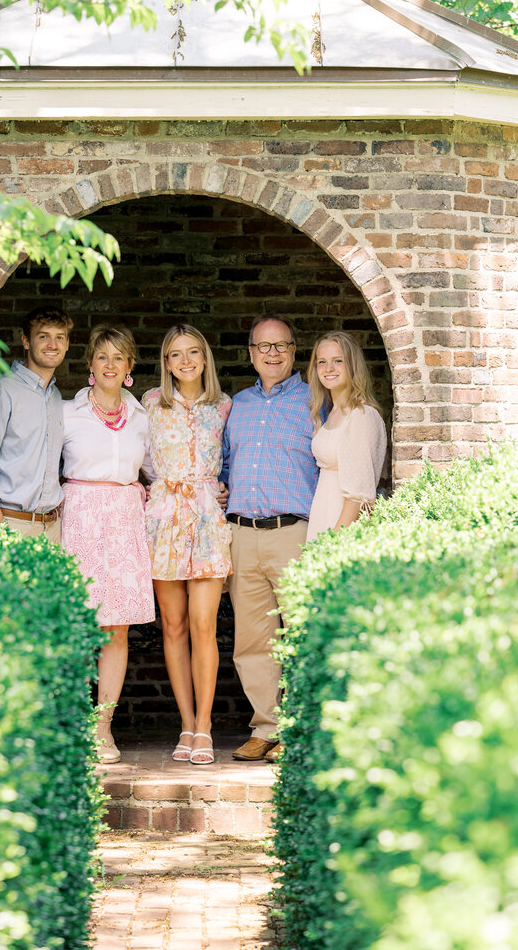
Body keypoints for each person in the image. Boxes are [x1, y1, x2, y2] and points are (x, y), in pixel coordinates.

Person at [221, 314, 318, 762]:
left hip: (294, 532)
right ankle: (266, 727)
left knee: (300, 633)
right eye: (264, 347)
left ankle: (297, 730)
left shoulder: (317, 401)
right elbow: (222, 467)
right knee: (253, 641)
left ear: (294, 351)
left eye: (281, 346)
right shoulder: (237, 405)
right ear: (251, 353)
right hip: (243, 532)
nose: (272, 353)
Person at [60, 322, 155, 764]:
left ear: (130, 367)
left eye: (119, 357)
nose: (111, 364)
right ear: (90, 366)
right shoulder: (66, 413)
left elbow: (160, 469)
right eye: (102, 357)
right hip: (78, 515)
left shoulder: (143, 418)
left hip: (125, 518)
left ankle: (102, 728)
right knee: (80, 623)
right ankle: (71, 723)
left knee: (116, 629)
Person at [143, 324, 232, 767]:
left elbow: (236, 460)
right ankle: (185, 722)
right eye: (175, 354)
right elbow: (136, 459)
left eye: (193, 351)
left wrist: (226, 489)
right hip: (163, 520)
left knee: (203, 625)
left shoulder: (226, 406)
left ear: (205, 357)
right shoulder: (148, 405)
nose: (185, 361)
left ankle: (205, 727)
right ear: (166, 363)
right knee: (173, 627)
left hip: (207, 520)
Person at [0, 305, 72, 540]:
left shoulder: (55, 397)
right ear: (26, 341)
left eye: (59, 338)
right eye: (43, 336)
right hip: (12, 524)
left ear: (67, 345)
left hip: (52, 528)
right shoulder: (0, 392)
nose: (52, 345)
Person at [306, 331, 387, 542]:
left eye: (338, 361)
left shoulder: (362, 415)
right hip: (322, 516)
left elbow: (359, 497)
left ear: (352, 365)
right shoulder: (329, 413)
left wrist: (334, 541)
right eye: (321, 362)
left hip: (342, 525)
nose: (329, 368)